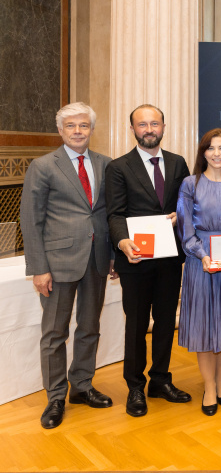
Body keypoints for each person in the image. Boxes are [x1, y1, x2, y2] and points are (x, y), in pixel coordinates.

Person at [20, 102, 115, 429]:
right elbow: (31, 220)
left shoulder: (106, 164)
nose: (78, 131)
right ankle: (56, 395)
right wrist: (38, 268)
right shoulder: (44, 166)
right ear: (60, 130)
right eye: (71, 126)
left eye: (84, 126)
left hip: (97, 258)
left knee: (90, 327)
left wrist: (114, 255)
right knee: (54, 333)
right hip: (56, 263)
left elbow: (109, 214)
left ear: (91, 129)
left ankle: (83, 386)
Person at [106, 104, 192, 417]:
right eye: (142, 124)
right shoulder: (118, 167)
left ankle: (160, 381)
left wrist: (179, 216)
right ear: (133, 129)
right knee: (137, 325)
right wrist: (121, 241)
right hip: (136, 259)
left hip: (170, 258)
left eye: (154, 123)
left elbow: (187, 206)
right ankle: (134, 387)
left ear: (164, 127)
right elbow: (114, 213)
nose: (149, 129)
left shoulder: (178, 163)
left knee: (166, 322)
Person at [177, 128, 221, 416]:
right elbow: (185, 228)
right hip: (201, 259)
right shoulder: (190, 183)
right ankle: (208, 386)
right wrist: (202, 254)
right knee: (205, 323)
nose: (217, 154)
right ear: (203, 152)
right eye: (211, 148)